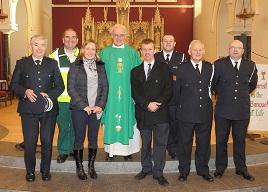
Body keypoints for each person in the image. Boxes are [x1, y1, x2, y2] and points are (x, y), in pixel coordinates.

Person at [9, 35, 64, 182]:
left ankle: (45, 171)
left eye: (42, 45)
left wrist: (49, 95)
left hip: (48, 110)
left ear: (46, 47)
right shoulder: (22, 63)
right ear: (31, 46)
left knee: (47, 140)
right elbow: (13, 85)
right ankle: (30, 171)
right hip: (28, 109)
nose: (39, 48)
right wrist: (25, 91)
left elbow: (60, 86)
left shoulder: (52, 64)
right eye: (36, 45)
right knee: (30, 141)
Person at [212, 40, 257, 181]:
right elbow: (214, 85)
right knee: (221, 140)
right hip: (223, 110)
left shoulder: (251, 66)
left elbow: (252, 85)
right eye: (233, 48)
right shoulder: (219, 65)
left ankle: (241, 169)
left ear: (243, 50)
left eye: (238, 48)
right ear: (228, 49)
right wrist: (226, 96)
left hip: (241, 110)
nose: (235, 50)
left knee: (239, 141)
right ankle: (220, 168)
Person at [131, 39, 173, 186]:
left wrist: (157, 105)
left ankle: (158, 172)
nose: (147, 52)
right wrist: (147, 104)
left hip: (161, 113)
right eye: (144, 49)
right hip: (144, 113)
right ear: (140, 51)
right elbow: (135, 92)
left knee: (161, 144)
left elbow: (169, 90)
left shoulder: (164, 68)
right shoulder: (135, 71)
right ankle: (146, 168)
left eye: (150, 49)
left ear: (155, 50)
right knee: (146, 142)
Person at [99, 24, 142, 161]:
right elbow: (97, 75)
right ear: (111, 36)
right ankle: (110, 151)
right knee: (111, 120)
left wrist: (137, 96)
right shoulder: (104, 52)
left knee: (127, 119)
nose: (118, 37)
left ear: (126, 36)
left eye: (121, 35)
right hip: (110, 96)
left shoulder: (132, 53)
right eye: (116, 35)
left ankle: (127, 151)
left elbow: (139, 76)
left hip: (127, 96)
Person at [174, 40, 214, 182]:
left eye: (200, 50)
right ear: (189, 52)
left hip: (205, 113)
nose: (197, 52)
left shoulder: (210, 67)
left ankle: (203, 170)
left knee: (204, 143)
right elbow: (176, 92)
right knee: (184, 144)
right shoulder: (182, 68)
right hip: (186, 113)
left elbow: (212, 88)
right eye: (194, 50)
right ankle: (183, 171)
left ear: (203, 52)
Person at [67, 39, 108, 180]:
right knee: (79, 138)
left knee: (93, 138)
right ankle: (79, 168)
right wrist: (83, 105)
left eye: (93, 49)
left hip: (96, 109)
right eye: (88, 48)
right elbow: (71, 89)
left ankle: (91, 166)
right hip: (80, 109)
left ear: (96, 52)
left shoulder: (101, 67)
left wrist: (100, 105)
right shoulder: (75, 66)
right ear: (83, 49)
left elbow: (105, 88)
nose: (90, 52)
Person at [48, 28, 79, 164]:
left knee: (76, 126)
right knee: (63, 126)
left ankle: (74, 150)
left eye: (73, 37)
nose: (70, 40)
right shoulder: (53, 56)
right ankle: (62, 151)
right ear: (62, 40)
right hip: (61, 99)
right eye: (67, 37)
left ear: (77, 40)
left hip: (79, 100)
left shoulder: (84, 55)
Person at [154, 33, 186, 160]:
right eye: (165, 41)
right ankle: (159, 149)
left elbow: (184, 76)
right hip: (159, 98)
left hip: (175, 97)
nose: (168, 43)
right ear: (161, 43)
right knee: (160, 124)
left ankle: (173, 148)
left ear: (174, 43)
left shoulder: (181, 57)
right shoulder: (156, 56)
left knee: (174, 124)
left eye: (170, 41)